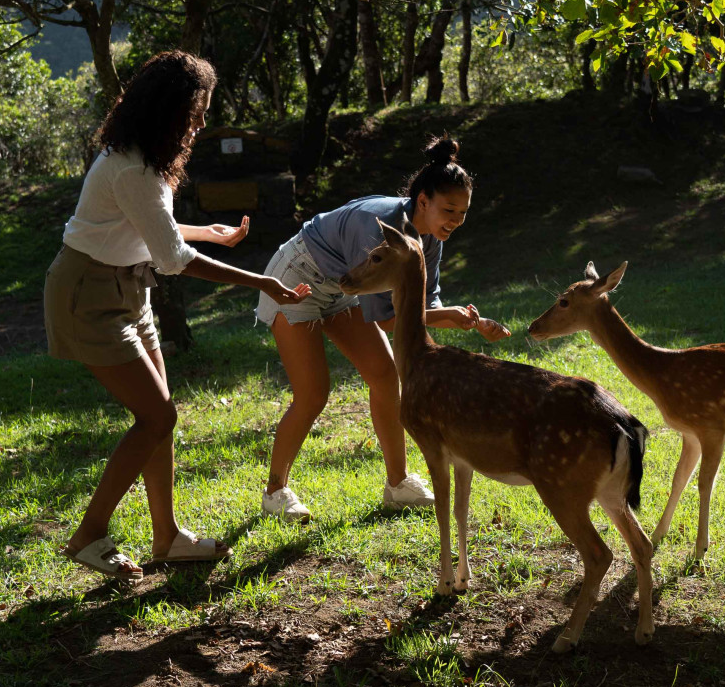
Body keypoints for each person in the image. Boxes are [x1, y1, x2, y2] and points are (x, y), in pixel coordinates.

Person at [45, 51, 310, 582]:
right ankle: (89, 534)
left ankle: (165, 538)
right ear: (171, 108)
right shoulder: (131, 166)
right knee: (157, 416)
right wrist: (263, 281)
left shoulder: (148, 158)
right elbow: (171, 260)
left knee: (160, 417)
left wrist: (206, 231)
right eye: (198, 110)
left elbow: (153, 226)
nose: (202, 121)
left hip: (129, 289)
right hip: (88, 295)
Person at [255, 136, 511, 523]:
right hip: (297, 281)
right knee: (313, 393)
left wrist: (465, 319)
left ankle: (398, 484)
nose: (456, 221)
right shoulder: (382, 232)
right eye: (449, 210)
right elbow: (390, 319)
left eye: (463, 213)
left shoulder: (429, 235)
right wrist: (447, 317)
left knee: (385, 374)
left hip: (342, 288)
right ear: (423, 201)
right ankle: (276, 491)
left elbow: (428, 299)